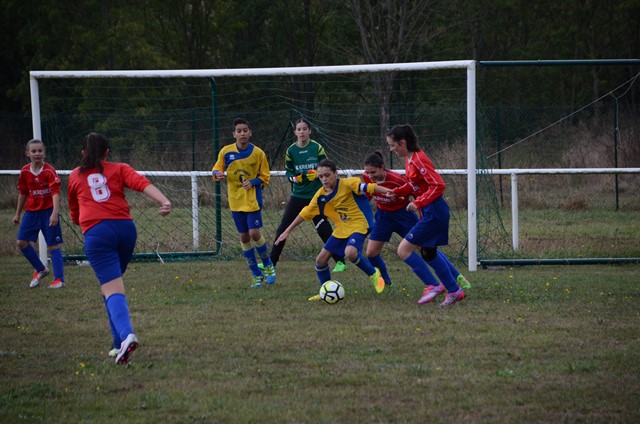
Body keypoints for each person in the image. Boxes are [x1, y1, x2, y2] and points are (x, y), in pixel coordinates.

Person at [67, 132, 172, 365]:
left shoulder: (75, 175)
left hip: (98, 233)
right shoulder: (120, 168)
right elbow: (142, 183)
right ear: (107, 152)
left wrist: (82, 221)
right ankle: (117, 345)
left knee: (113, 288)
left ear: (83, 153)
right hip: (125, 230)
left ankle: (126, 336)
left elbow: (74, 212)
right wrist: (164, 201)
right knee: (112, 287)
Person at [274, 159, 386, 300]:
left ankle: (373, 274)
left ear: (336, 173)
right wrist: (287, 231)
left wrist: (389, 191)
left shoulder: (347, 183)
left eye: (327, 175)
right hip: (342, 229)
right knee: (320, 260)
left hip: (359, 225)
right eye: (320, 176)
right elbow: (305, 213)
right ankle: (324, 290)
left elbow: (369, 187)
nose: (324, 179)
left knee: (350, 253)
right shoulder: (320, 195)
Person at [380, 124, 466, 306]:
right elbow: (414, 184)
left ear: (403, 143)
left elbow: (438, 185)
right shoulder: (410, 159)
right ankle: (454, 290)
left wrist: (418, 202)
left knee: (404, 250)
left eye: (393, 145)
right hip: (429, 211)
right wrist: (397, 192)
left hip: (434, 211)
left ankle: (433, 285)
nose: (391, 149)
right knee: (428, 253)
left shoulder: (419, 159)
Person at [362, 151, 471, 289]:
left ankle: (455, 277)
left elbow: (416, 192)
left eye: (373, 172)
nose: (370, 176)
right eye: (368, 172)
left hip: (403, 217)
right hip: (383, 217)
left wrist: (419, 207)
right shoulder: (366, 177)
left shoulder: (397, 179)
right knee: (371, 253)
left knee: (426, 249)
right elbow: (367, 195)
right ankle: (386, 282)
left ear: (382, 167)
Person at [266, 118, 346, 272]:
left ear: (310, 131)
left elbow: (326, 167)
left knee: (323, 228)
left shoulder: (317, 148)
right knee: (283, 228)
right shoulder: (291, 151)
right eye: (299, 129)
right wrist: (294, 178)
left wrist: (317, 174)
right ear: (295, 132)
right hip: (298, 195)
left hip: (316, 196)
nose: (302, 132)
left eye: (304, 129)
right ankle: (271, 263)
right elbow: (289, 172)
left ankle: (340, 261)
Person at [212, 118, 276, 288]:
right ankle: (256, 274)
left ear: (250, 132)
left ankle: (268, 264)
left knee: (254, 233)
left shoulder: (258, 153)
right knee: (244, 236)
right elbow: (217, 168)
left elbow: (265, 176)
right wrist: (217, 173)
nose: (242, 134)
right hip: (235, 201)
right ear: (234, 134)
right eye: (239, 131)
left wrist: (253, 182)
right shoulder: (226, 152)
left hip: (252, 200)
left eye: (245, 130)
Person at [12, 138, 65, 289]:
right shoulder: (25, 171)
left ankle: (59, 279)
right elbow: (23, 193)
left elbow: (55, 192)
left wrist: (54, 213)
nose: (37, 154)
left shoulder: (49, 170)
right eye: (34, 151)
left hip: (48, 212)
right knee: (21, 242)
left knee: (53, 245)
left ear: (44, 153)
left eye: (40, 151)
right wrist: (17, 214)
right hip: (32, 213)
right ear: (27, 153)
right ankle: (41, 269)